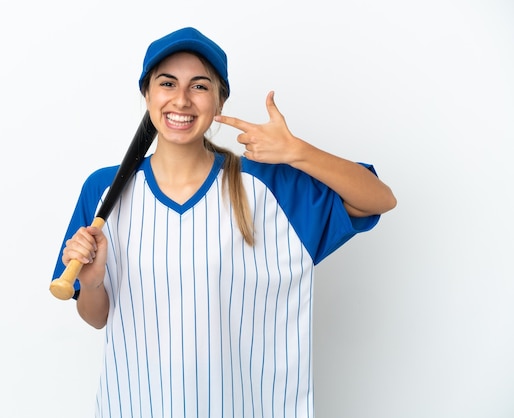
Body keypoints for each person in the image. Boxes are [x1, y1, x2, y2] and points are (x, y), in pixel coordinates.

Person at [52, 26, 396, 418]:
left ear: (219, 101)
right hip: (134, 404)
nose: (181, 99)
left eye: (199, 86)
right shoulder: (104, 190)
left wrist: (296, 151)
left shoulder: (266, 185)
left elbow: (378, 198)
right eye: (167, 83)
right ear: (147, 94)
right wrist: (93, 282)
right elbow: (96, 318)